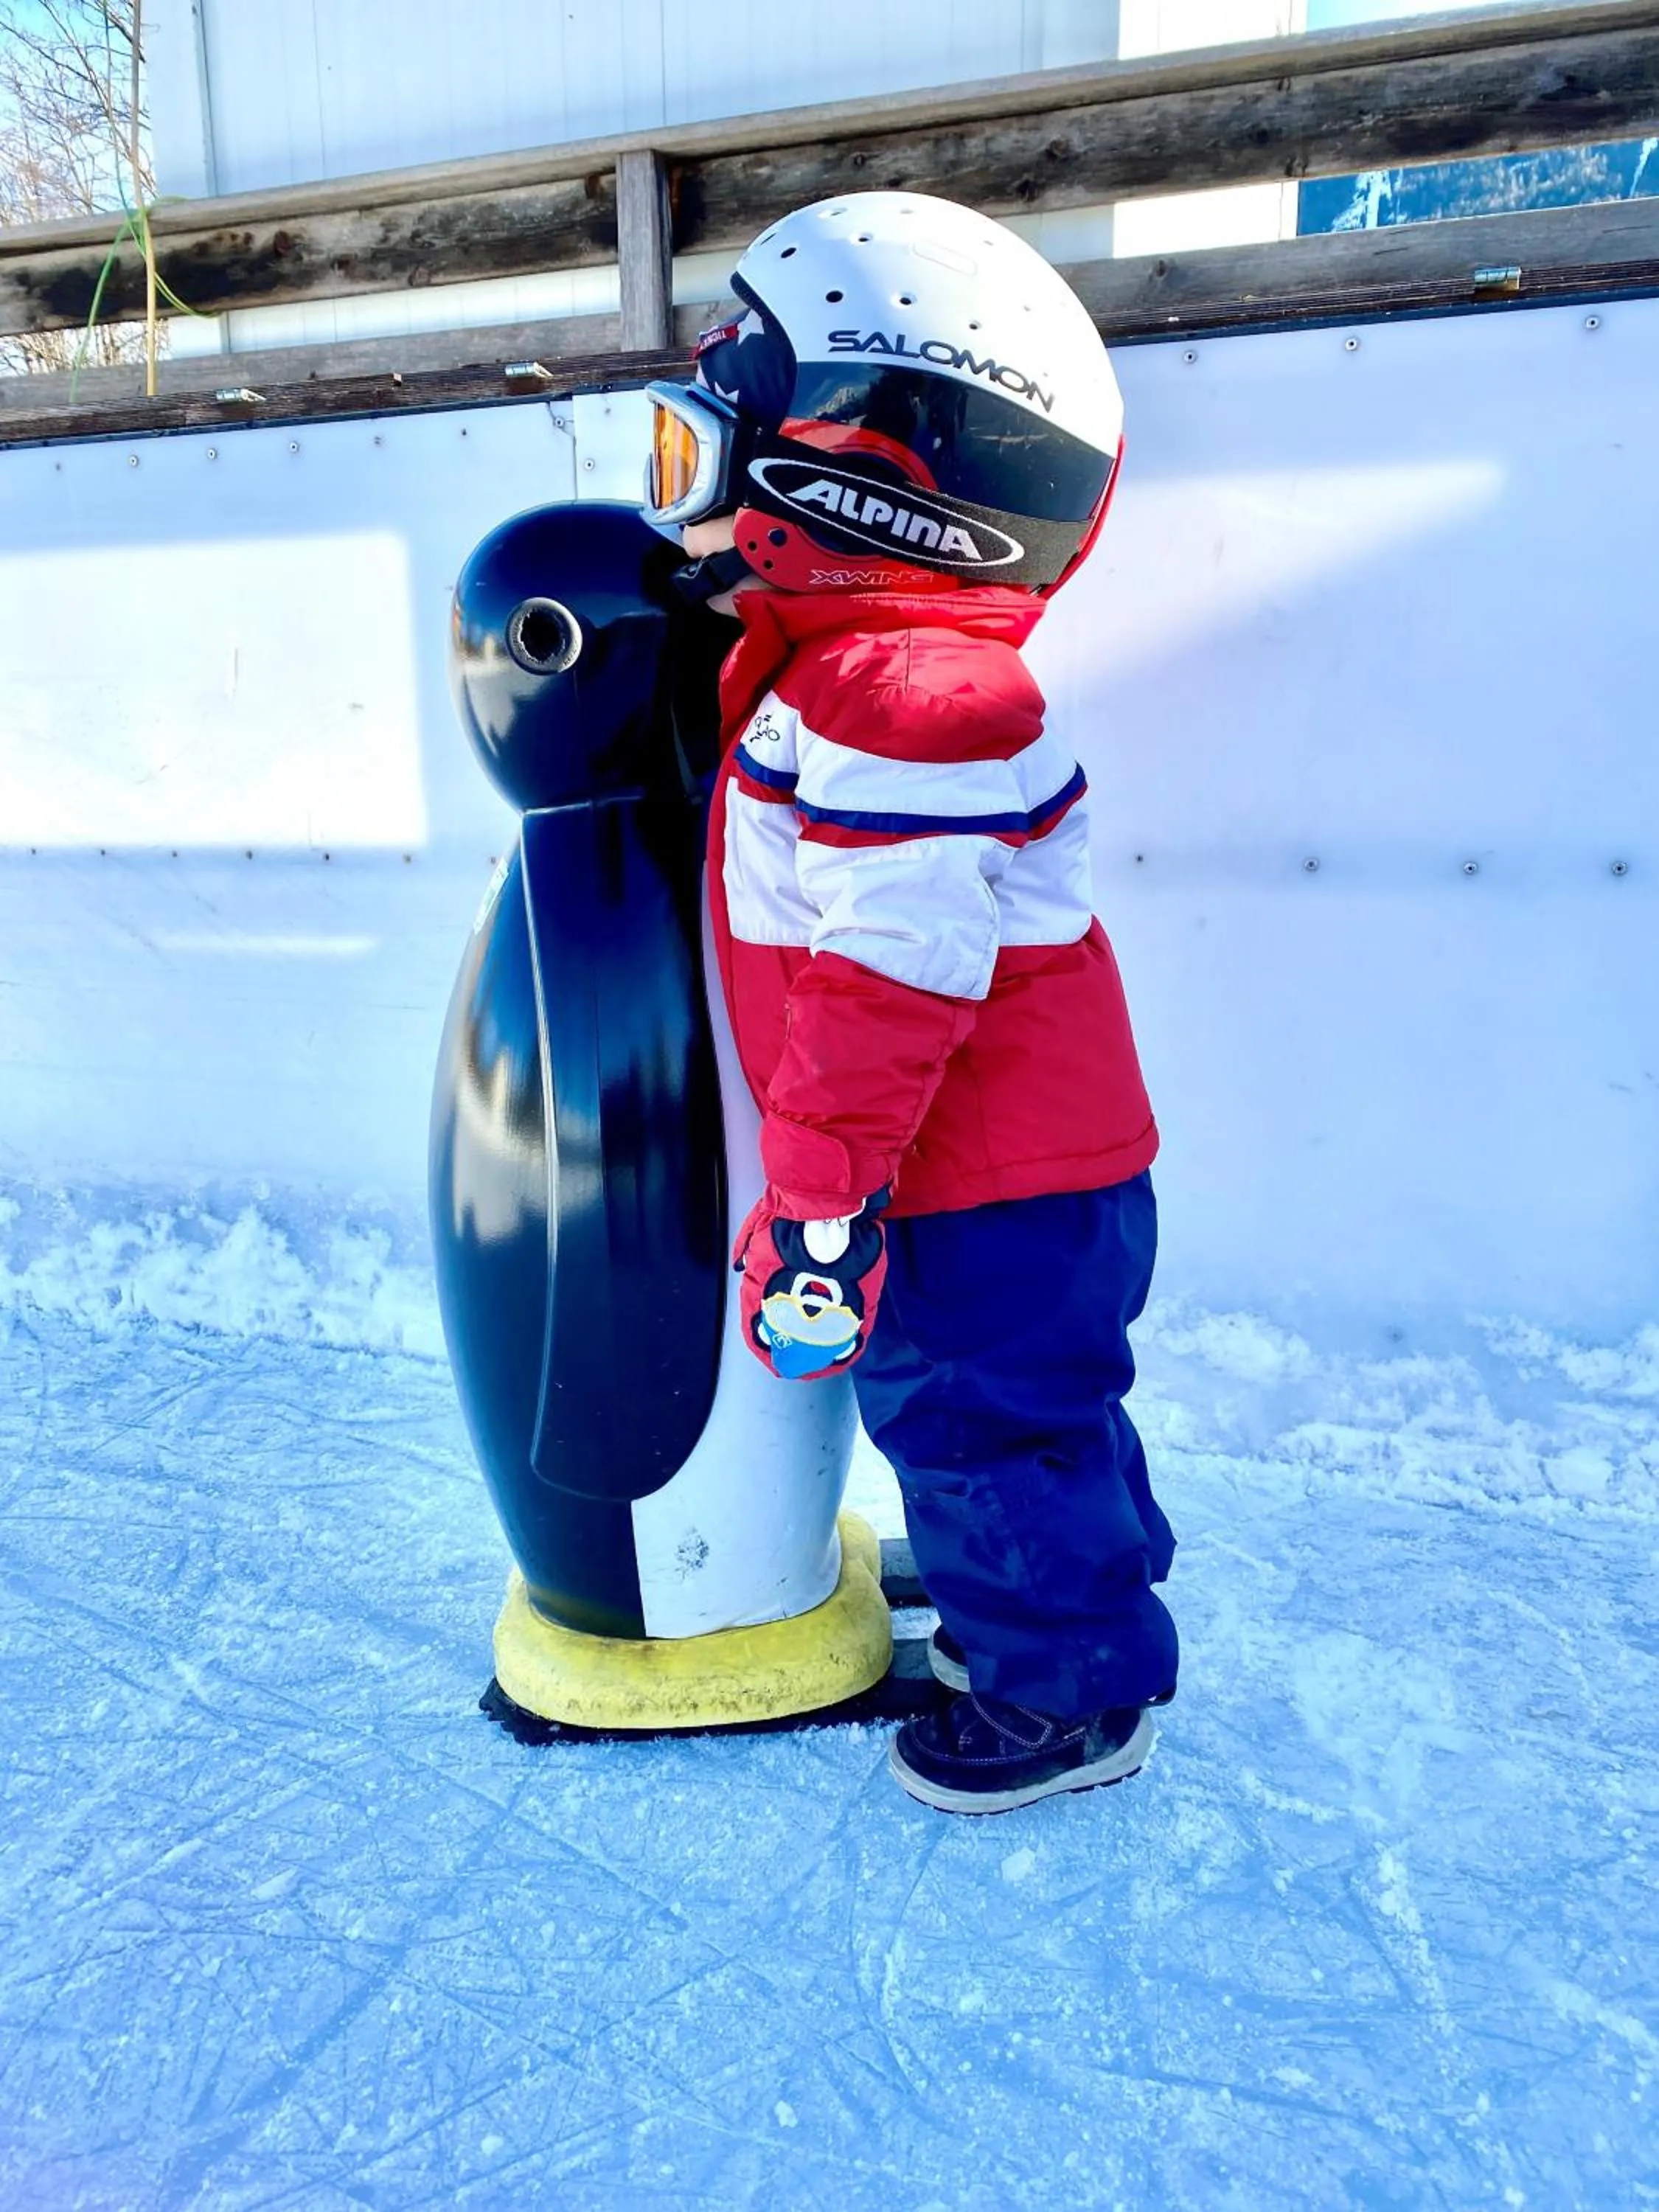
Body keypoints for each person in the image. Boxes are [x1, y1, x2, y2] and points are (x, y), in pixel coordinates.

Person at [641, 191, 1177, 1815]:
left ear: (846, 481)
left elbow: (892, 976)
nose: (691, 508)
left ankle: (1066, 1692)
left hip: (977, 1180)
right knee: (1008, 1414)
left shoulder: (911, 701)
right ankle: (1056, 1583)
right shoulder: (861, 673)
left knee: (982, 1415)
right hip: (999, 1175)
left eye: (703, 454)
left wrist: (820, 1189)